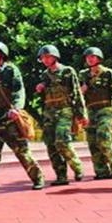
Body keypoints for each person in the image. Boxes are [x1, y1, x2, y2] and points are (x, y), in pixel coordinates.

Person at [0, 41, 45, 194]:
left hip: (9, 117)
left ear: (1, 54)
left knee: (21, 151)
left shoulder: (11, 70)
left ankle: (38, 178)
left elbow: (19, 91)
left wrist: (16, 108)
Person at [36, 45, 86, 185]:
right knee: (50, 144)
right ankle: (61, 175)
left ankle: (77, 167)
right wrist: (40, 87)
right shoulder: (44, 75)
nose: (45, 60)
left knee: (62, 141)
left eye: (47, 57)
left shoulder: (67, 71)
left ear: (55, 56)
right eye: (42, 58)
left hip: (65, 110)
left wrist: (81, 114)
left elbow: (76, 93)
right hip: (49, 112)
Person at [79, 47, 112, 180]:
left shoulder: (109, 73)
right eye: (87, 57)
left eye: (92, 56)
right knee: (92, 142)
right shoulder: (83, 75)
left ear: (99, 58)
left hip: (106, 110)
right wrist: (81, 92)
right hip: (90, 111)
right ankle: (101, 171)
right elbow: (77, 95)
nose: (89, 59)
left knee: (103, 137)